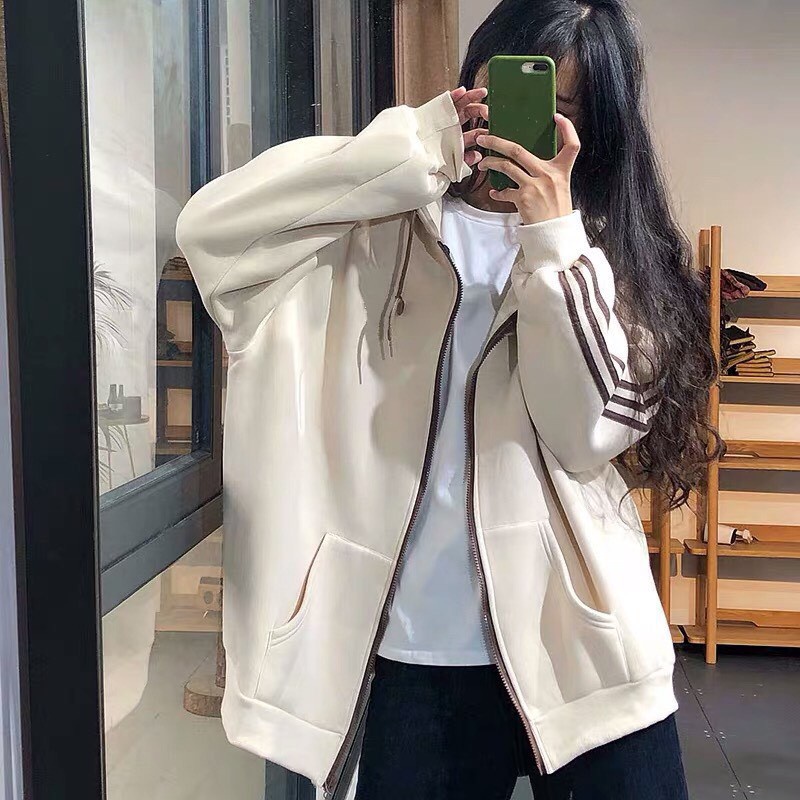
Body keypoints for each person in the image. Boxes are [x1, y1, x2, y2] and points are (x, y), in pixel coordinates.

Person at [176, 1, 720, 797]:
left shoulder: (605, 250)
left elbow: (588, 432)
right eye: (507, 95)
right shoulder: (370, 227)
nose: (524, 127)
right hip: (413, 658)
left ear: (596, 128)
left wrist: (553, 241)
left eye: (563, 109)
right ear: (469, 85)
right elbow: (209, 231)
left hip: (586, 657)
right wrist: (418, 144)